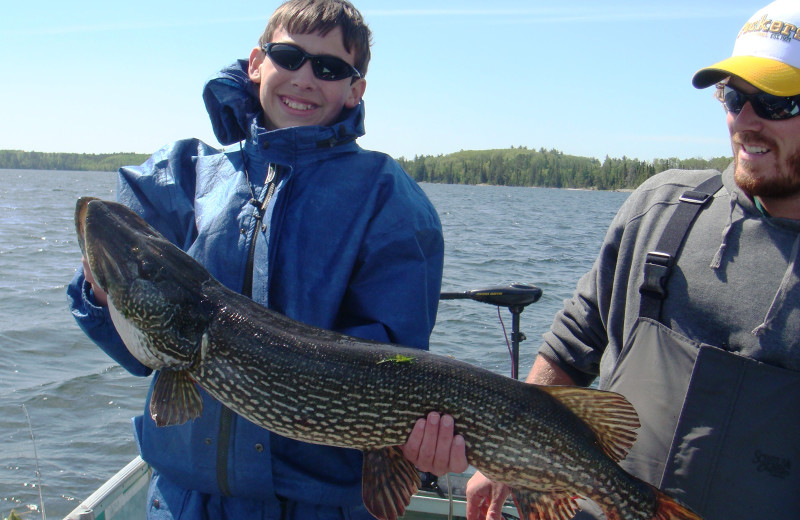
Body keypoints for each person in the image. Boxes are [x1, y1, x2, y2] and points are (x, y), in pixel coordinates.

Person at [68, 1, 465, 518]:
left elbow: (393, 356)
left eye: (329, 68)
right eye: (288, 56)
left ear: (355, 89)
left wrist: (415, 440)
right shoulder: (186, 175)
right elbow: (143, 346)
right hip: (186, 500)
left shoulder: (386, 199)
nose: (304, 78)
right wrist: (102, 292)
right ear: (256, 62)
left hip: (319, 506)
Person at [464, 1, 800, 519]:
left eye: (777, 103)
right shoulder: (662, 206)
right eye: (734, 97)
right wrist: (510, 458)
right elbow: (574, 341)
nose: (746, 121)